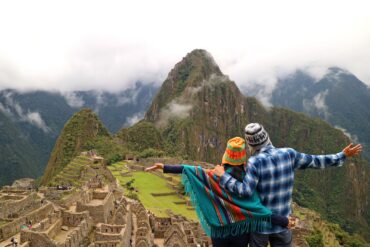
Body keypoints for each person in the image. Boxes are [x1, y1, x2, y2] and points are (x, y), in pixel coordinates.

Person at [213, 123, 362, 247]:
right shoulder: (289, 154)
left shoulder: (254, 162)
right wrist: (341, 155)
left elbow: (244, 191)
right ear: (267, 137)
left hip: (260, 226)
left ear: (250, 144)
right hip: (283, 222)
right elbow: (315, 161)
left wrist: (223, 176)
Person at [146, 137, 294, 247]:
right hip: (240, 233)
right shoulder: (248, 182)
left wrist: (164, 167)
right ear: (244, 162)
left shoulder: (213, 176)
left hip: (219, 233)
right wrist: (284, 221)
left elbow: (190, 169)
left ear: (225, 159)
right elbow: (258, 211)